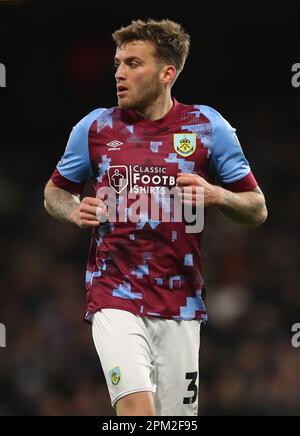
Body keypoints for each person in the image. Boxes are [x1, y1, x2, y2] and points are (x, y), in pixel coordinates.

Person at [44, 18, 268, 416]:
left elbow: (256, 207)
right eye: (117, 63)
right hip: (113, 294)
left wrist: (217, 195)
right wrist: (73, 209)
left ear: (167, 73)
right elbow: (54, 192)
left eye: (133, 63)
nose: (119, 73)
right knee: (137, 410)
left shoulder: (207, 127)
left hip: (181, 303)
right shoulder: (95, 127)